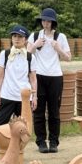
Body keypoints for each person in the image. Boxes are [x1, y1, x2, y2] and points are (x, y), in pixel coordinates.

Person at [0, 25, 37, 157]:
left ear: (25, 39)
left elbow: (33, 79)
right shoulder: (5, 54)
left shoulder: (31, 57)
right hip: (7, 95)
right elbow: (0, 75)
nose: (16, 39)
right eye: (14, 36)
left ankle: (16, 153)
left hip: (24, 98)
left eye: (20, 36)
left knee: (24, 128)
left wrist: (34, 96)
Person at [27, 8, 71, 154]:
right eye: (43, 20)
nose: (45, 23)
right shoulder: (34, 36)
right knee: (38, 110)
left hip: (55, 76)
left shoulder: (61, 37)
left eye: (48, 21)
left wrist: (58, 48)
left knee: (54, 111)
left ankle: (54, 141)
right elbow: (26, 54)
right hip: (38, 76)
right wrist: (35, 45)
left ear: (53, 22)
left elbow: (68, 58)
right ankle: (41, 142)